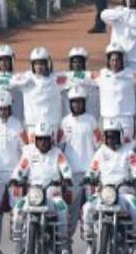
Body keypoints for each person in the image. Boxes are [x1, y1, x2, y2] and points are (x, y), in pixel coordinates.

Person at [81, 117, 136, 250]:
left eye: (114, 136)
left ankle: (133, 240)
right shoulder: (100, 152)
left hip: (124, 193)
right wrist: (88, 177)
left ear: (120, 136)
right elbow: (92, 169)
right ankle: (90, 239)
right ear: (105, 137)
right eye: (108, 136)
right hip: (104, 193)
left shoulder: (128, 152)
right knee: (87, 207)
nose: (111, 139)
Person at [10, 121, 73, 250]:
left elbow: (65, 167)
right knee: (18, 208)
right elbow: (21, 168)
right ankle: (19, 241)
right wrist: (16, 178)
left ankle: (63, 245)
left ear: (50, 139)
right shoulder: (30, 153)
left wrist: (66, 177)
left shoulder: (57, 153)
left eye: (45, 139)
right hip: (33, 196)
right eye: (40, 139)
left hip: (53, 196)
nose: (42, 143)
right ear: (35, 140)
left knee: (63, 209)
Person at [70, 44, 136, 141]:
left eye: (118, 60)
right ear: (108, 61)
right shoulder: (101, 75)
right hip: (108, 120)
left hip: (126, 120)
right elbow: (81, 76)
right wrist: (58, 76)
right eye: (112, 60)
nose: (115, 63)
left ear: (122, 60)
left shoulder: (131, 74)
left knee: (127, 148)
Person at [0, 88, 24, 251]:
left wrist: (21, 172)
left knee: (18, 211)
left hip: (14, 176)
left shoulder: (18, 125)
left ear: (10, 107)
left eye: (6, 108)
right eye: (0, 108)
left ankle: (20, 246)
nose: (3, 112)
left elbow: (25, 149)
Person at [59, 85, 99, 237]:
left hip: (90, 174)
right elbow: (60, 148)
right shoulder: (65, 122)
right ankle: (66, 243)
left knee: (93, 209)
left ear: (84, 103)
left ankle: (93, 243)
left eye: (80, 102)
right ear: (70, 103)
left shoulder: (91, 121)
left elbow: (99, 145)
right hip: (72, 173)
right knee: (70, 211)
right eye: (74, 102)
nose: (77, 105)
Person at [9, 47, 73, 131]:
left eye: (42, 63)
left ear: (47, 63)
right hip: (32, 126)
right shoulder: (26, 79)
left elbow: (75, 77)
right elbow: (7, 79)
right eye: (36, 64)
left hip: (52, 125)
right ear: (32, 65)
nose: (39, 66)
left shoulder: (56, 78)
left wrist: (94, 76)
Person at [63, 47, 100, 117]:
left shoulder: (92, 76)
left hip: (91, 117)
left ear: (85, 63)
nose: (77, 64)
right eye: (74, 62)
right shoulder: (64, 76)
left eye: (80, 62)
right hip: (70, 118)